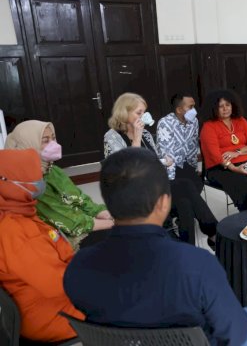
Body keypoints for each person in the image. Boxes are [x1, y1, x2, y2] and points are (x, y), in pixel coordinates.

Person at [63, 148, 247, 346]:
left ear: (107, 202)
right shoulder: (198, 265)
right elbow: (235, 334)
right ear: (163, 203)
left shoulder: (78, 266)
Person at [104, 92, 217, 246]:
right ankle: (212, 232)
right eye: (139, 113)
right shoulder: (112, 137)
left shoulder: (146, 134)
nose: (143, 116)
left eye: (144, 112)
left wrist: (164, 162)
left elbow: (154, 161)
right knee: (185, 188)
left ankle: (189, 248)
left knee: (185, 203)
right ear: (124, 113)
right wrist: (136, 139)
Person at [0, 149, 84, 343]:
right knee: (130, 302)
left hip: (50, 303)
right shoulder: (16, 232)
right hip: (53, 315)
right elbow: (58, 285)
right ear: (6, 182)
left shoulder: (20, 213)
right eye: (31, 176)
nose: (39, 180)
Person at [4, 121, 113, 249]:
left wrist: (102, 212)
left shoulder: (53, 170)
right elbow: (68, 222)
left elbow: (80, 199)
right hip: (61, 240)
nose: (53, 144)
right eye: (45, 140)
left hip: (82, 225)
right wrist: (113, 224)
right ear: (28, 145)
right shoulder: (29, 183)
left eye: (53, 138)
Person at [201, 90, 247, 211]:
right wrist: (235, 168)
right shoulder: (208, 126)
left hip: (245, 161)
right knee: (245, 185)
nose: (225, 109)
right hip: (219, 168)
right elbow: (215, 155)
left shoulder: (241, 120)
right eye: (221, 106)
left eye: (228, 105)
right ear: (214, 108)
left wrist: (237, 152)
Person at [156, 92, 203, 193]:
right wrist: (171, 180)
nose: (194, 110)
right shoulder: (165, 123)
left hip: (187, 164)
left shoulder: (194, 121)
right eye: (190, 107)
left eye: (194, 106)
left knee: (197, 184)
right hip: (171, 167)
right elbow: (167, 154)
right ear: (178, 110)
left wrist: (198, 167)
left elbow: (194, 146)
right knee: (185, 191)